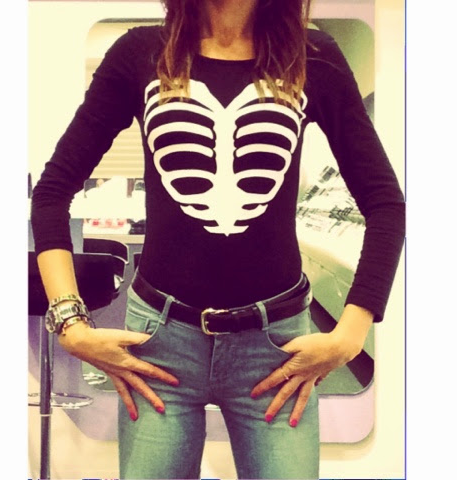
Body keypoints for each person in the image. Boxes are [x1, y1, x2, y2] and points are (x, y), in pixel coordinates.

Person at [30, 0, 405, 478]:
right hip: (160, 341)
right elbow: (52, 192)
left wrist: (351, 334)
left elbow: (385, 202)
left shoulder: (313, 58)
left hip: (275, 349)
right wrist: (70, 324)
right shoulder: (140, 54)